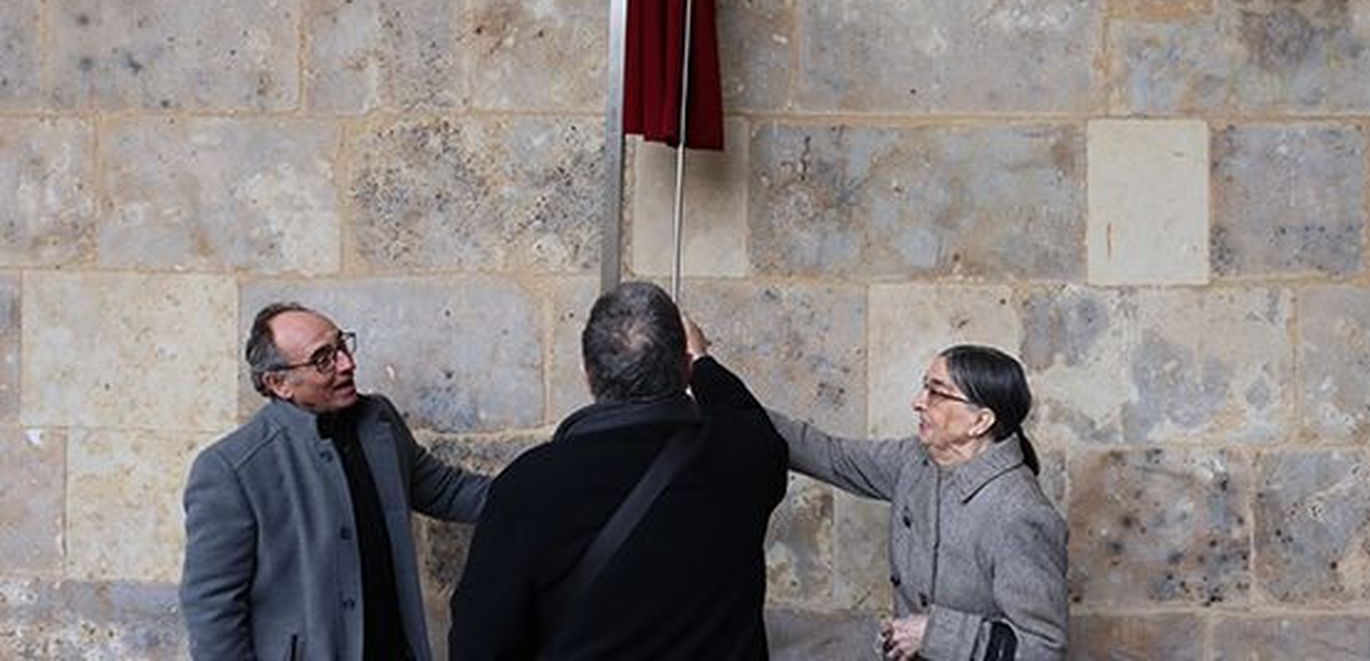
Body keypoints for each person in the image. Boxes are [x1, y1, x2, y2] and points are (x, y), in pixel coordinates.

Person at [449, 281, 788, 660]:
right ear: (683, 370)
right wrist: (702, 360)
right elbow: (747, 416)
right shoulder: (742, 456)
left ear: (588, 373)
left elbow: (479, 641)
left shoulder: (529, 486)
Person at [700, 332, 1068, 661]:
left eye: (937, 393)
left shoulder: (1020, 513)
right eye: (924, 388)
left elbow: (1043, 647)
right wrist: (707, 377)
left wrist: (934, 634)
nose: (918, 402)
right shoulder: (916, 461)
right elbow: (829, 455)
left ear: (980, 421)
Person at [180, 303, 492, 661]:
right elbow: (212, 609)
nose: (346, 364)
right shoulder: (229, 469)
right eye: (323, 359)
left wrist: (538, 491)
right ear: (279, 383)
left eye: (341, 345)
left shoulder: (379, 419)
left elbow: (446, 490)